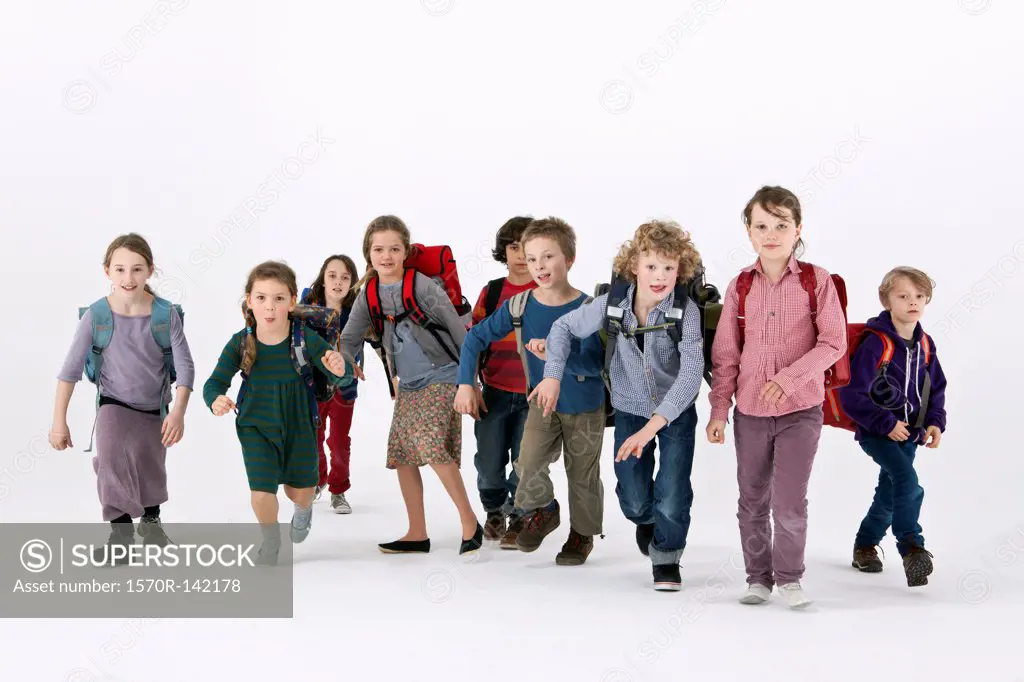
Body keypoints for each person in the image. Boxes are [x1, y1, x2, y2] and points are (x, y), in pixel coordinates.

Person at [535, 220, 704, 590]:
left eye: (669, 268)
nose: (659, 277)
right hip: (629, 407)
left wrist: (654, 424)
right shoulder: (612, 304)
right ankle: (646, 521)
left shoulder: (685, 312)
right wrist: (552, 374)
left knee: (673, 493)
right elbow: (563, 328)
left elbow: (691, 374)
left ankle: (666, 558)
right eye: (651, 267)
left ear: (681, 270)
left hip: (674, 413)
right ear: (634, 267)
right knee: (632, 497)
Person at [706, 186, 846, 608]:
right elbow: (726, 354)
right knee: (751, 498)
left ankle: (789, 578)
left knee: (788, 500)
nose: (771, 234)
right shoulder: (740, 286)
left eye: (781, 225)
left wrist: (788, 378)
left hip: (800, 410)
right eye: (761, 226)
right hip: (748, 411)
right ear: (749, 232)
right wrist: (718, 411)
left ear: (797, 229)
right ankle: (757, 578)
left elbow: (833, 343)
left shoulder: (815, 280)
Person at [456, 217, 605, 566]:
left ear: (569, 259)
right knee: (526, 465)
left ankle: (581, 535)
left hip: (584, 405)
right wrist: (465, 381)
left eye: (548, 257)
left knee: (582, 474)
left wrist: (558, 355)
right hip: (541, 403)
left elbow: (597, 366)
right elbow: (475, 338)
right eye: (532, 258)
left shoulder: (588, 310)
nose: (539, 266)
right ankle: (545, 508)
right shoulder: (520, 306)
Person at [338, 215, 483, 556]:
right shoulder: (367, 294)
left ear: (406, 252)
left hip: (445, 374)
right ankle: (417, 532)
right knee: (402, 455)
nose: (386, 255)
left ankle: (469, 521)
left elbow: (463, 335)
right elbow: (349, 338)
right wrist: (347, 359)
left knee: (431, 443)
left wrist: (471, 383)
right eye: (378, 249)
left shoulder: (423, 287)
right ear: (368, 254)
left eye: (393, 248)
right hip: (409, 384)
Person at [51, 233, 194, 562]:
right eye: (120, 269)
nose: (128, 278)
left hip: (155, 406)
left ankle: (151, 519)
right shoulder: (97, 316)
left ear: (150, 270)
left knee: (151, 465)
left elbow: (185, 369)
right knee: (111, 460)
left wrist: (178, 413)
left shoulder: (165, 314)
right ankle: (121, 534)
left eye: (136, 269)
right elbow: (69, 370)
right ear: (107, 272)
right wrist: (59, 421)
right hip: (114, 403)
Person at [203, 260, 354, 565]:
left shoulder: (304, 338)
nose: (269, 307)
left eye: (278, 298)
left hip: (300, 425)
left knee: (298, 492)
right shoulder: (241, 342)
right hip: (255, 425)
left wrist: (340, 367)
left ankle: (304, 508)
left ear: (292, 301)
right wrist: (216, 399)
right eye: (261, 298)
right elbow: (214, 383)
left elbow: (342, 375)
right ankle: (270, 541)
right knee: (261, 492)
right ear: (250, 301)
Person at [840, 266, 946, 587]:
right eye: (903, 296)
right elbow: (852, 394)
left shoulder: (925, 344)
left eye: (919, 296)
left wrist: (934, 422)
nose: (912, 301)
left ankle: (865, 545)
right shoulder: (876, 343)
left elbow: (936, 386)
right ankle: (912, 547)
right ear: (887, 301)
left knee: (890, 492)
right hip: (877, 431)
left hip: (910, 434)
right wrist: (885, 424)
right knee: (906, 480)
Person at [466, 216, 538, 547]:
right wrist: (471, 385)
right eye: (513, 247)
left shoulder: (547, 293)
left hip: (534, 396)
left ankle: (520, 514)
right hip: (493, 391)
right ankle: (494, 510)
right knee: (489, 462)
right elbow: (474, 340)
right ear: (504, 251)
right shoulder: (492, 292)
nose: (521, 254)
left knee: (526, 462)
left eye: (528, 247)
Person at [302, 254, 362, 514]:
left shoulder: (358, 310)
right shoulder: (307, 305)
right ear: (323, 279)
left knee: (338, 441)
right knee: (313, 437)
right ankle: (318, 480)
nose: (338, 282)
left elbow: (378, 338)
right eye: (332, 276)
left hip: (344, 387)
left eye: (345, 277)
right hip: (313, 386)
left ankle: (339, 490)